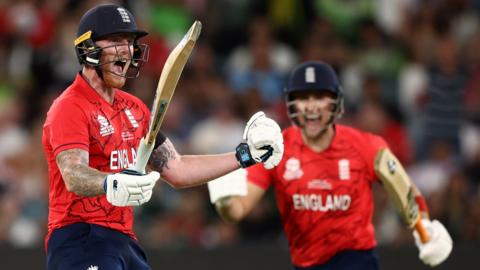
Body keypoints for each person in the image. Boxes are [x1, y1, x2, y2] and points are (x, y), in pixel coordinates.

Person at [42, 4, 283, 270]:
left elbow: (177, 169)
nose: (127, 49)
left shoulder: (135, 108)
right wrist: (112, 183)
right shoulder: (70, 106)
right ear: (88, 48)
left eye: (130, 42)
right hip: (80, 237)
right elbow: (72, 173)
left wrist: (244, 155)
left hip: (123, 240)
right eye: (115, 40)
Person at [208, 61, 453, 270]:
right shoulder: (276, 149)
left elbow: (402, 188)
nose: (312, 106)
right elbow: (238, 209)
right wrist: (224, 200)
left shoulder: (367, 146)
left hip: (357, 260)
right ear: (291, 104)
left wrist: (423, 228)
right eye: (303, 97)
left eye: (320, 97)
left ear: (336, 102)